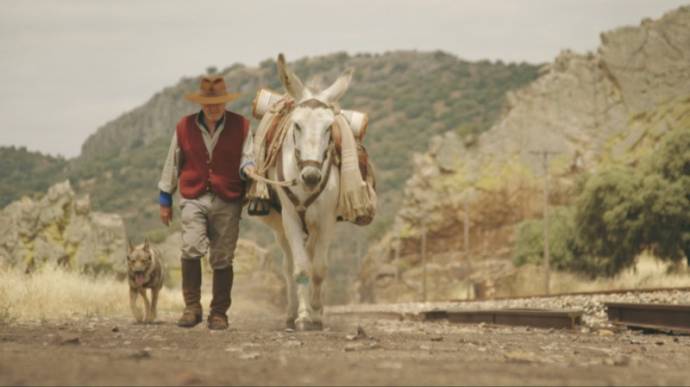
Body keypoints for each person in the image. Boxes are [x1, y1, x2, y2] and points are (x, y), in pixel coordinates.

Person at [158, 75, 255, 330]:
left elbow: (249, 156)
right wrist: (165, 198)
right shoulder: (183, 127)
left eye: (218, 103)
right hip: (193, 196)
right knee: (190, 246)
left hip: (228, 198)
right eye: (209, 104)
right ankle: (192, 308)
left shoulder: (242, 126)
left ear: (225, 103)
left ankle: (219, 312)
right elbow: (172, 162)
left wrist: (249, 167)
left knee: (223, 257)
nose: (213, 108)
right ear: (201, 104)